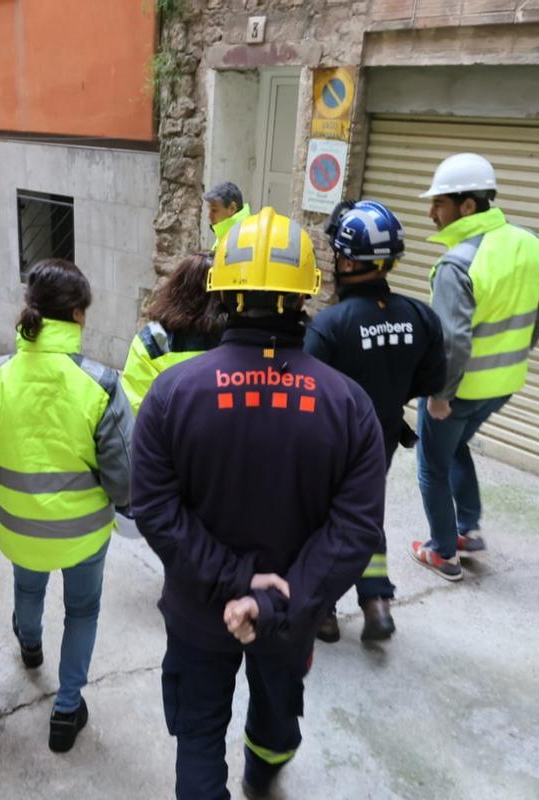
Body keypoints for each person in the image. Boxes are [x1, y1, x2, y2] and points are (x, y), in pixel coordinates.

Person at [132, 207, 386, 799]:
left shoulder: (172, 393)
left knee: (198, 735)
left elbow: (155, 510)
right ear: (305, 298)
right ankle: (261, 775)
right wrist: (269, 601)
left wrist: (234, 580)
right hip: (290, 616)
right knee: (276, 718)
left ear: (221, 295)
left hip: (199, 612)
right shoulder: (349, 405)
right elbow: (355, 530)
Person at [0, 259, 133, 753]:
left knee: (28, 584)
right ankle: (66, 710)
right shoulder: (101, 384)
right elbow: (126, 479)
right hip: (84, 535)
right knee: (83, 610)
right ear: (77, 315)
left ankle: (30, 646)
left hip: (17, 526)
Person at [305, 199, 446, 643]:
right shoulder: (421, 318)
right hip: (380, 438)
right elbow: (430, 382)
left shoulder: (330, 325)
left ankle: (323, 611)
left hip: (329, 444)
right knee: (366, 516)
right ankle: (376, 602)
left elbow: (303, 391)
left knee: (320, 522)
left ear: (348, 261)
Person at [412, 153, 539, 581]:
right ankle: (468, 530)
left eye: (439, 203)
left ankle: (443, 553)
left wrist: (441, 396)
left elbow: (453, 341)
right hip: (504, 385)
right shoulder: (529, 242)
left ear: (468, 205)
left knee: (431, 465)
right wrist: (515, 350)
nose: (431, 213)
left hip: (460, 390)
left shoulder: (457, 264)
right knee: (456, 446)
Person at [121, 253, 224, 414]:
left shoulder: (151, 341)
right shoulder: (235, 336)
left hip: (168, 428)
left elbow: (135, 406)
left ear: (177, 289)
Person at [204, 181, 251, 249]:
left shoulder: (242, 237)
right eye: (210, 209)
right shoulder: (226, 234)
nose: (209, 216)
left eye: (214, 210)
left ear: (232, 208)